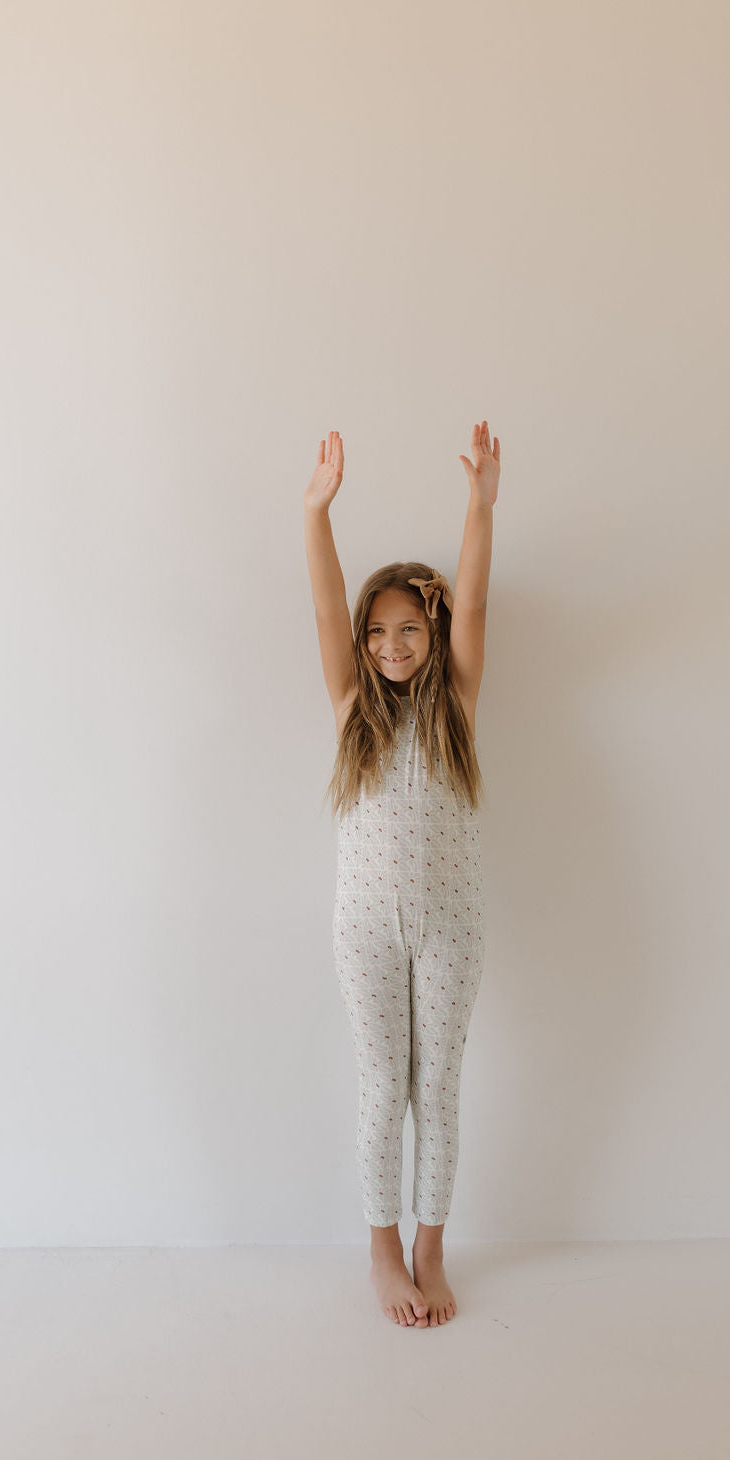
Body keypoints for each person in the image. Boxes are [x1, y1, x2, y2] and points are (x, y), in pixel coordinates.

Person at [303, 420, 501, 1329]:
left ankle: (431, 1240)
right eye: (377, 630)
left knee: (440, 1087)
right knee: (384, 1085)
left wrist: (479, 505)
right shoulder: (352, 711)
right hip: (365, 929)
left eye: (408, 627)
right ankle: (382, 1247)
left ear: (433, 630)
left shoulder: (456, 702)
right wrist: (317, 514)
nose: (390, 644)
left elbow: (479, 601)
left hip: (451, 924)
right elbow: (325, 602)